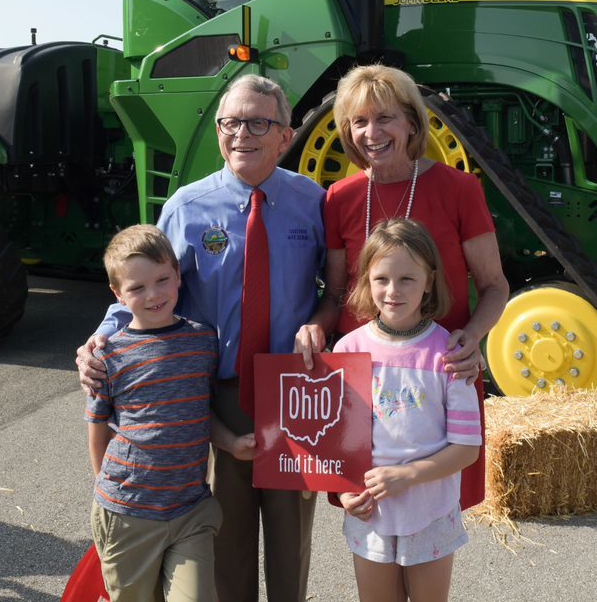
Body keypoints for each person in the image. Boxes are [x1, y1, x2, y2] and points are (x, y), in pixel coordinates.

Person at [78, 74, 331, 602]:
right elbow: (141, 284)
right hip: (219, 394)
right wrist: (100, 338)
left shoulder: (314, 202)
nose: (242, 133)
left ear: (285, 135)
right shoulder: (188, 207)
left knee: (292, 542)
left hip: (293, 394)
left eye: (259, 122)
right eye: (231, 122)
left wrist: (323, 325)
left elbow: (340, 287)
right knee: (226, 541)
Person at [296, 63, 508, 510]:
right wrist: (314, 325)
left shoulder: (459, 189)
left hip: (438, 377)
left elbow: (493, 286)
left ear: (412, 122)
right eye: (358, 121)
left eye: (385, 117)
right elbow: (336, 295)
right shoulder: (339, 198)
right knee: (370, 522)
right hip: (363, 385)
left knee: (431, 516)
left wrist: (473, 338)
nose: (371, 132)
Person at [87, 224, 254, 601]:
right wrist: (102, 485)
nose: (154, 294)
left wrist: (231, 443)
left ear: (179, 275)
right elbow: (97, 424)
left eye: (162, 279)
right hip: (129, 514)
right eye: (137, 288)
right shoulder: (109, 356)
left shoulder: (203, 341)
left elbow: (197, 411)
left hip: (190, 511)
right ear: (117, 294)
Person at [335, 219, 481, 602]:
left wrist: (407, 476)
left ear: (429, 281)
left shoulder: (451, 354)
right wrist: (343, 491)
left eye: (407, 279)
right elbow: (337, 444)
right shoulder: (347, 351)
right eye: (381, 278)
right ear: (367, 280)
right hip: (369, 513)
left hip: (431, 512)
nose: (393, 290)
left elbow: (467, 448)